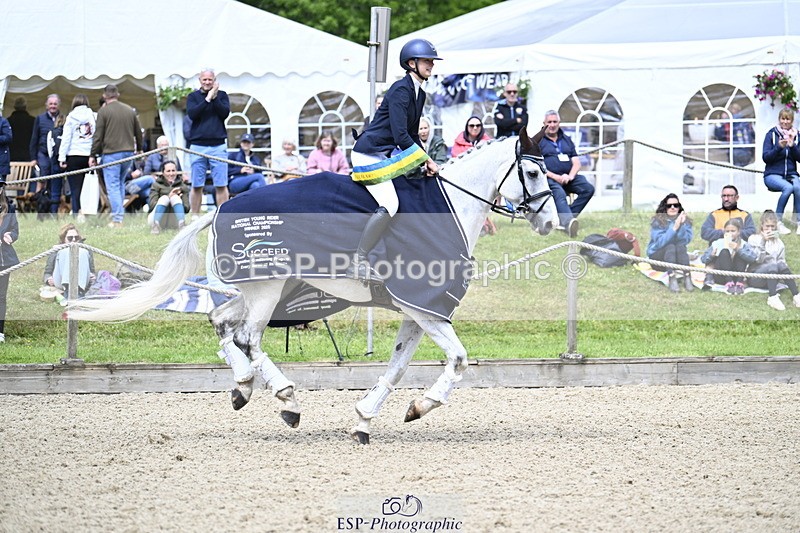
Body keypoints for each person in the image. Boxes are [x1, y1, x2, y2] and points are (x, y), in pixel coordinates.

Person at [349, 38, 442, 279]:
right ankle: (357, 261)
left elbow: (412, 133)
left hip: (383, 153)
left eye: (432, 61)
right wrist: (427, 161)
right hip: (367, 153)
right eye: (427, 61)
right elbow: (401, 135)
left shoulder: (419, 93)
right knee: (391, 204)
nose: (431, 65)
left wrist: (426, 159)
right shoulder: (401, 89)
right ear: (411, 63)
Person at [89, 84, 143, 228]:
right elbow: (138, 132)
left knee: (112, 186)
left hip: (111, 153)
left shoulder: (103, 112)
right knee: (119, 184)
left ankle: (118, 219)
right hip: (128, 153)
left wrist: (93, 154)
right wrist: (140, 149)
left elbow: (98, 136)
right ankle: (119, 216)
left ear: (104, 96)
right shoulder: (129, 110)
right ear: (117, 95)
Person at [539, 110, 595, 238]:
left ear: (559, 123)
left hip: (568, 177)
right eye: (549, 122)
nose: (552, 125)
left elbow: (576, 162)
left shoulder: (566, 139)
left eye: (555, 122)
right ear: (544, 123)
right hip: (549, 178)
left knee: (588, 188)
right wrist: (556, 177)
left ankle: (565, 218)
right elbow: (538, 166)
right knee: (559, 193)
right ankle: (568, 222)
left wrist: (570, 176)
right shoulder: (539, 141)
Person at [187, 68, 231, 214]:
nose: (207, 82)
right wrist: (207, 99)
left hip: (218, 146)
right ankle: (194, 216)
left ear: (214, 80)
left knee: (221, 184)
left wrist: (215, 96)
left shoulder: (223, 96)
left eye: (210, 80)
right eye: (204, 79)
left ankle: (222, 216)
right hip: (197, 146)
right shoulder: (193, 97)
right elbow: (193, 114)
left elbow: (224, 113)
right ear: (200, 80)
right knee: (197, 184)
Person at [747, 210, 800, 310]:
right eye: (767, 226)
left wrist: (786, 279)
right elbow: (757, 260)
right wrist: (763, 241)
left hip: (772, 278)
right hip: (755, 276)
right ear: (762, 225)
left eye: (772, 226)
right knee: (772, 264)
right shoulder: (753, 239)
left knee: (780, 264)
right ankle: (772, 297)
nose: (770, 229)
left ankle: (796, 295)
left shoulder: (779, 243)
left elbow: (782, 262)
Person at [761, 108, 800, 235]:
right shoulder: (771, 134)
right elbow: (766, 158)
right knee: (788, 188)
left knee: (798, 187)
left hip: (791, 173)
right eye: (783, 118)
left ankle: (798, 221)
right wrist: (779, 147)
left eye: (787, 119)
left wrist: (793, 146)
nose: (785, 121)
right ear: (779, 119)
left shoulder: (797, 135)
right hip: (772, 174)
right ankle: (778, 222)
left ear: (792, 121)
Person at [647, 194, 694, 292]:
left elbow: (685, 241)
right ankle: (672, 277)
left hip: (675, 259)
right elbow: (660, 243)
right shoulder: (658, 221)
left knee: (681, 247)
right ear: (665, 207)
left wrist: (681, 225)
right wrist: (674, 228)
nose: (673, 207)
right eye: (669, 205)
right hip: (658, 259)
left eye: (675, 205)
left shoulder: (685, 220)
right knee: (670, 246)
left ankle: (687, 276)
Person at [58, 94, 95, 218]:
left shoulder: (71, 117)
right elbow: (96, 137)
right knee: (89, 188)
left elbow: (66, 139)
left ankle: (76, 214)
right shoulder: (94, 116)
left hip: (73, 155)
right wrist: (95, 155)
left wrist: (61, 158)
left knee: (75, 189)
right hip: (89, 155)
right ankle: (88, 214)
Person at [700, 218, 759, 295]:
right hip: (721, 276)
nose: (730, 234)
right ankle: (729, 282)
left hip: (737, 275)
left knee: (740, 253)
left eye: (733, 231)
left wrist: (738, 249)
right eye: (727, 231)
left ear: (738, 232)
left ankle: (739, 284)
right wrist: (711, 256)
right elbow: (703, 259)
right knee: (725, 252)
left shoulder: (744, 244)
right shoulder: (718, 243)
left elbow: (753, 259)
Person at [43, 223, 95, 298]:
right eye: (70, 238)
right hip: (61, 281)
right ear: (63, 239)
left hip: (81, 281)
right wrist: (48, 279)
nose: (73, 240)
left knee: (83, 251)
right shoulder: (56, 249)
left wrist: (92, 275)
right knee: (65, 251)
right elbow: (47, 273)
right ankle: (68, 291)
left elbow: (91, 270)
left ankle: (78, 292)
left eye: (76, 238)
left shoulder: (86, 250)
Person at [29, 94, 61, 192]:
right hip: (43, 153)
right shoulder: (40, 118)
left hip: (57, 155)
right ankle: (39, 204)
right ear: (46, 105)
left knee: (55, 181)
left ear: (59, 105)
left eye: (55, 104)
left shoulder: (62, 118)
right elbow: (34, 138)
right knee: (42, 179)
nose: (53, 106)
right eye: (51, 104)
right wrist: (33, 158)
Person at [0, 183, 19, 342]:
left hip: (4, 259)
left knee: (1, 296)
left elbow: (15, 230)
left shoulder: (9, 208)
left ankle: (0, 331)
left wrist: (10, 236)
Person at [148, 160, 189, 234]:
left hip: (174, 219)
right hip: (156, 217)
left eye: (173, 170)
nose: (171, 173)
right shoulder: (156, 185)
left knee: (175, 197)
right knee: (165, 198)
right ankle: (155, 226)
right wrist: (168, 196)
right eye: (168, 171)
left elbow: (187, 209)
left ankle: (182, 226)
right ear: (163, 173)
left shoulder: (183, 186)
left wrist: (180, 200)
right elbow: (151, 205)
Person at [45, 115, 66, 215]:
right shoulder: (68, 131)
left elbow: (50, 151)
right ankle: (71, 211)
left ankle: (54, 212)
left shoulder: (51, 133)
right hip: (67, 162)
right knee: (70, 190)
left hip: (55, 162)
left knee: (55, 190)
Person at [7, 97, 34, 162]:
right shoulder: (33, 120)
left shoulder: (8, 121)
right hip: (28, 155)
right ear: (25, 107)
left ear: (14, 107)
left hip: (11, 154)